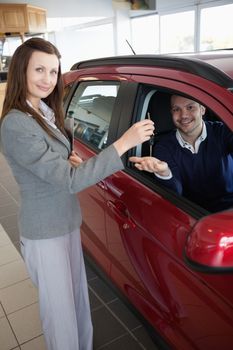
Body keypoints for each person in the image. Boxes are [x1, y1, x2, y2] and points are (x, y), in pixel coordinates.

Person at [0, 37, 154, 350]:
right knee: (60, 317)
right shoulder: (16, 123)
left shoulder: (43, 111)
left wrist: (68, 159)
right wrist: (123, 142)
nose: (48, 79)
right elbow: (69, 181)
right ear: (20, 72)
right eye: (39, 70)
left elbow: (56, 166)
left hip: (66, 223)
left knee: (77, 303)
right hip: (45, 233)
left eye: (54, 71)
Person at [130, 94, 233, 212]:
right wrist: (164, 172)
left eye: (190, 107)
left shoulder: (222, 131)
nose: (183, 115)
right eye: (176, 109)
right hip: (196, 215)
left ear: (202, 109)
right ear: (171, 113)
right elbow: (176, 192)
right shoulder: (164, 146)